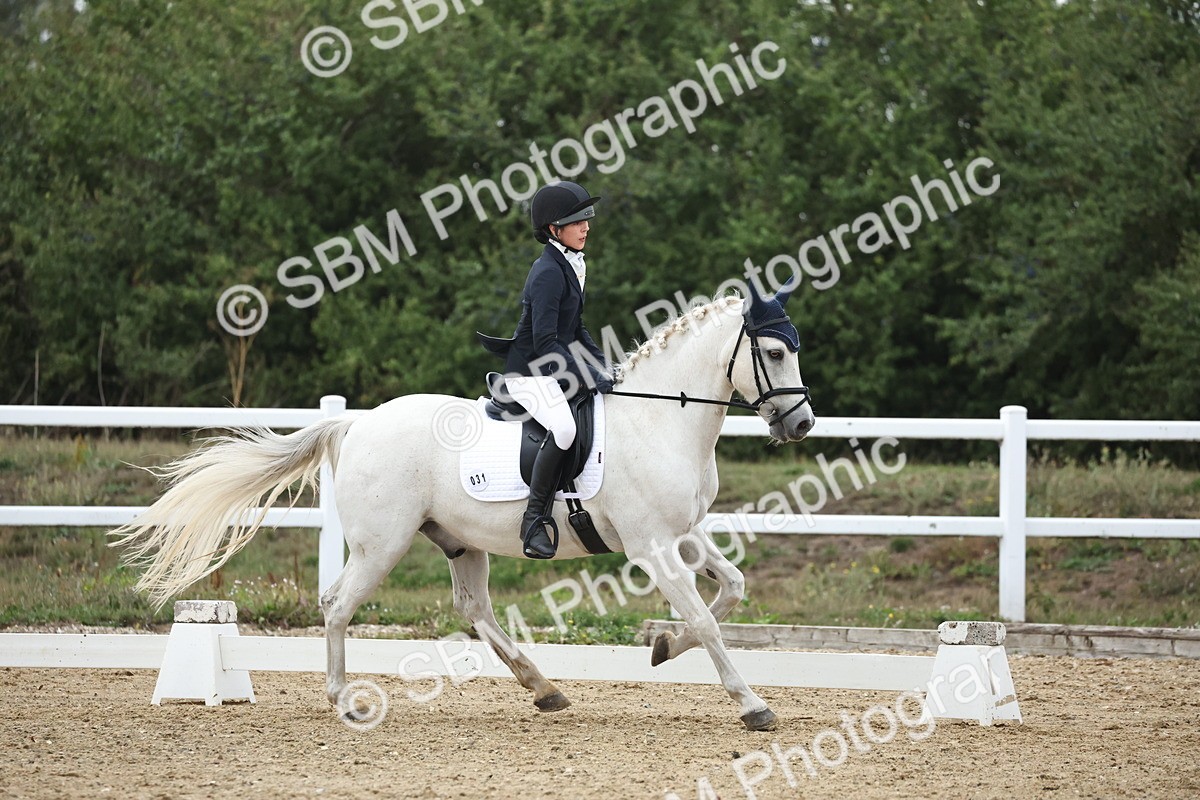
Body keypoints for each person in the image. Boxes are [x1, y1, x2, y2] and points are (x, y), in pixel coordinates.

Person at [477, 181, 614, 559]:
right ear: (554, 230)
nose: (587, 226)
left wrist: (604, 366)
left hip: (550, 367)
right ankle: (533, 519)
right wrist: (585, 376)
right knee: (566, 428)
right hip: (528, 374)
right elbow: (545, 343)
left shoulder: (571, 264)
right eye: (577, 221)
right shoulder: (548, 272)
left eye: (588, 218)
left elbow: (577, 329)